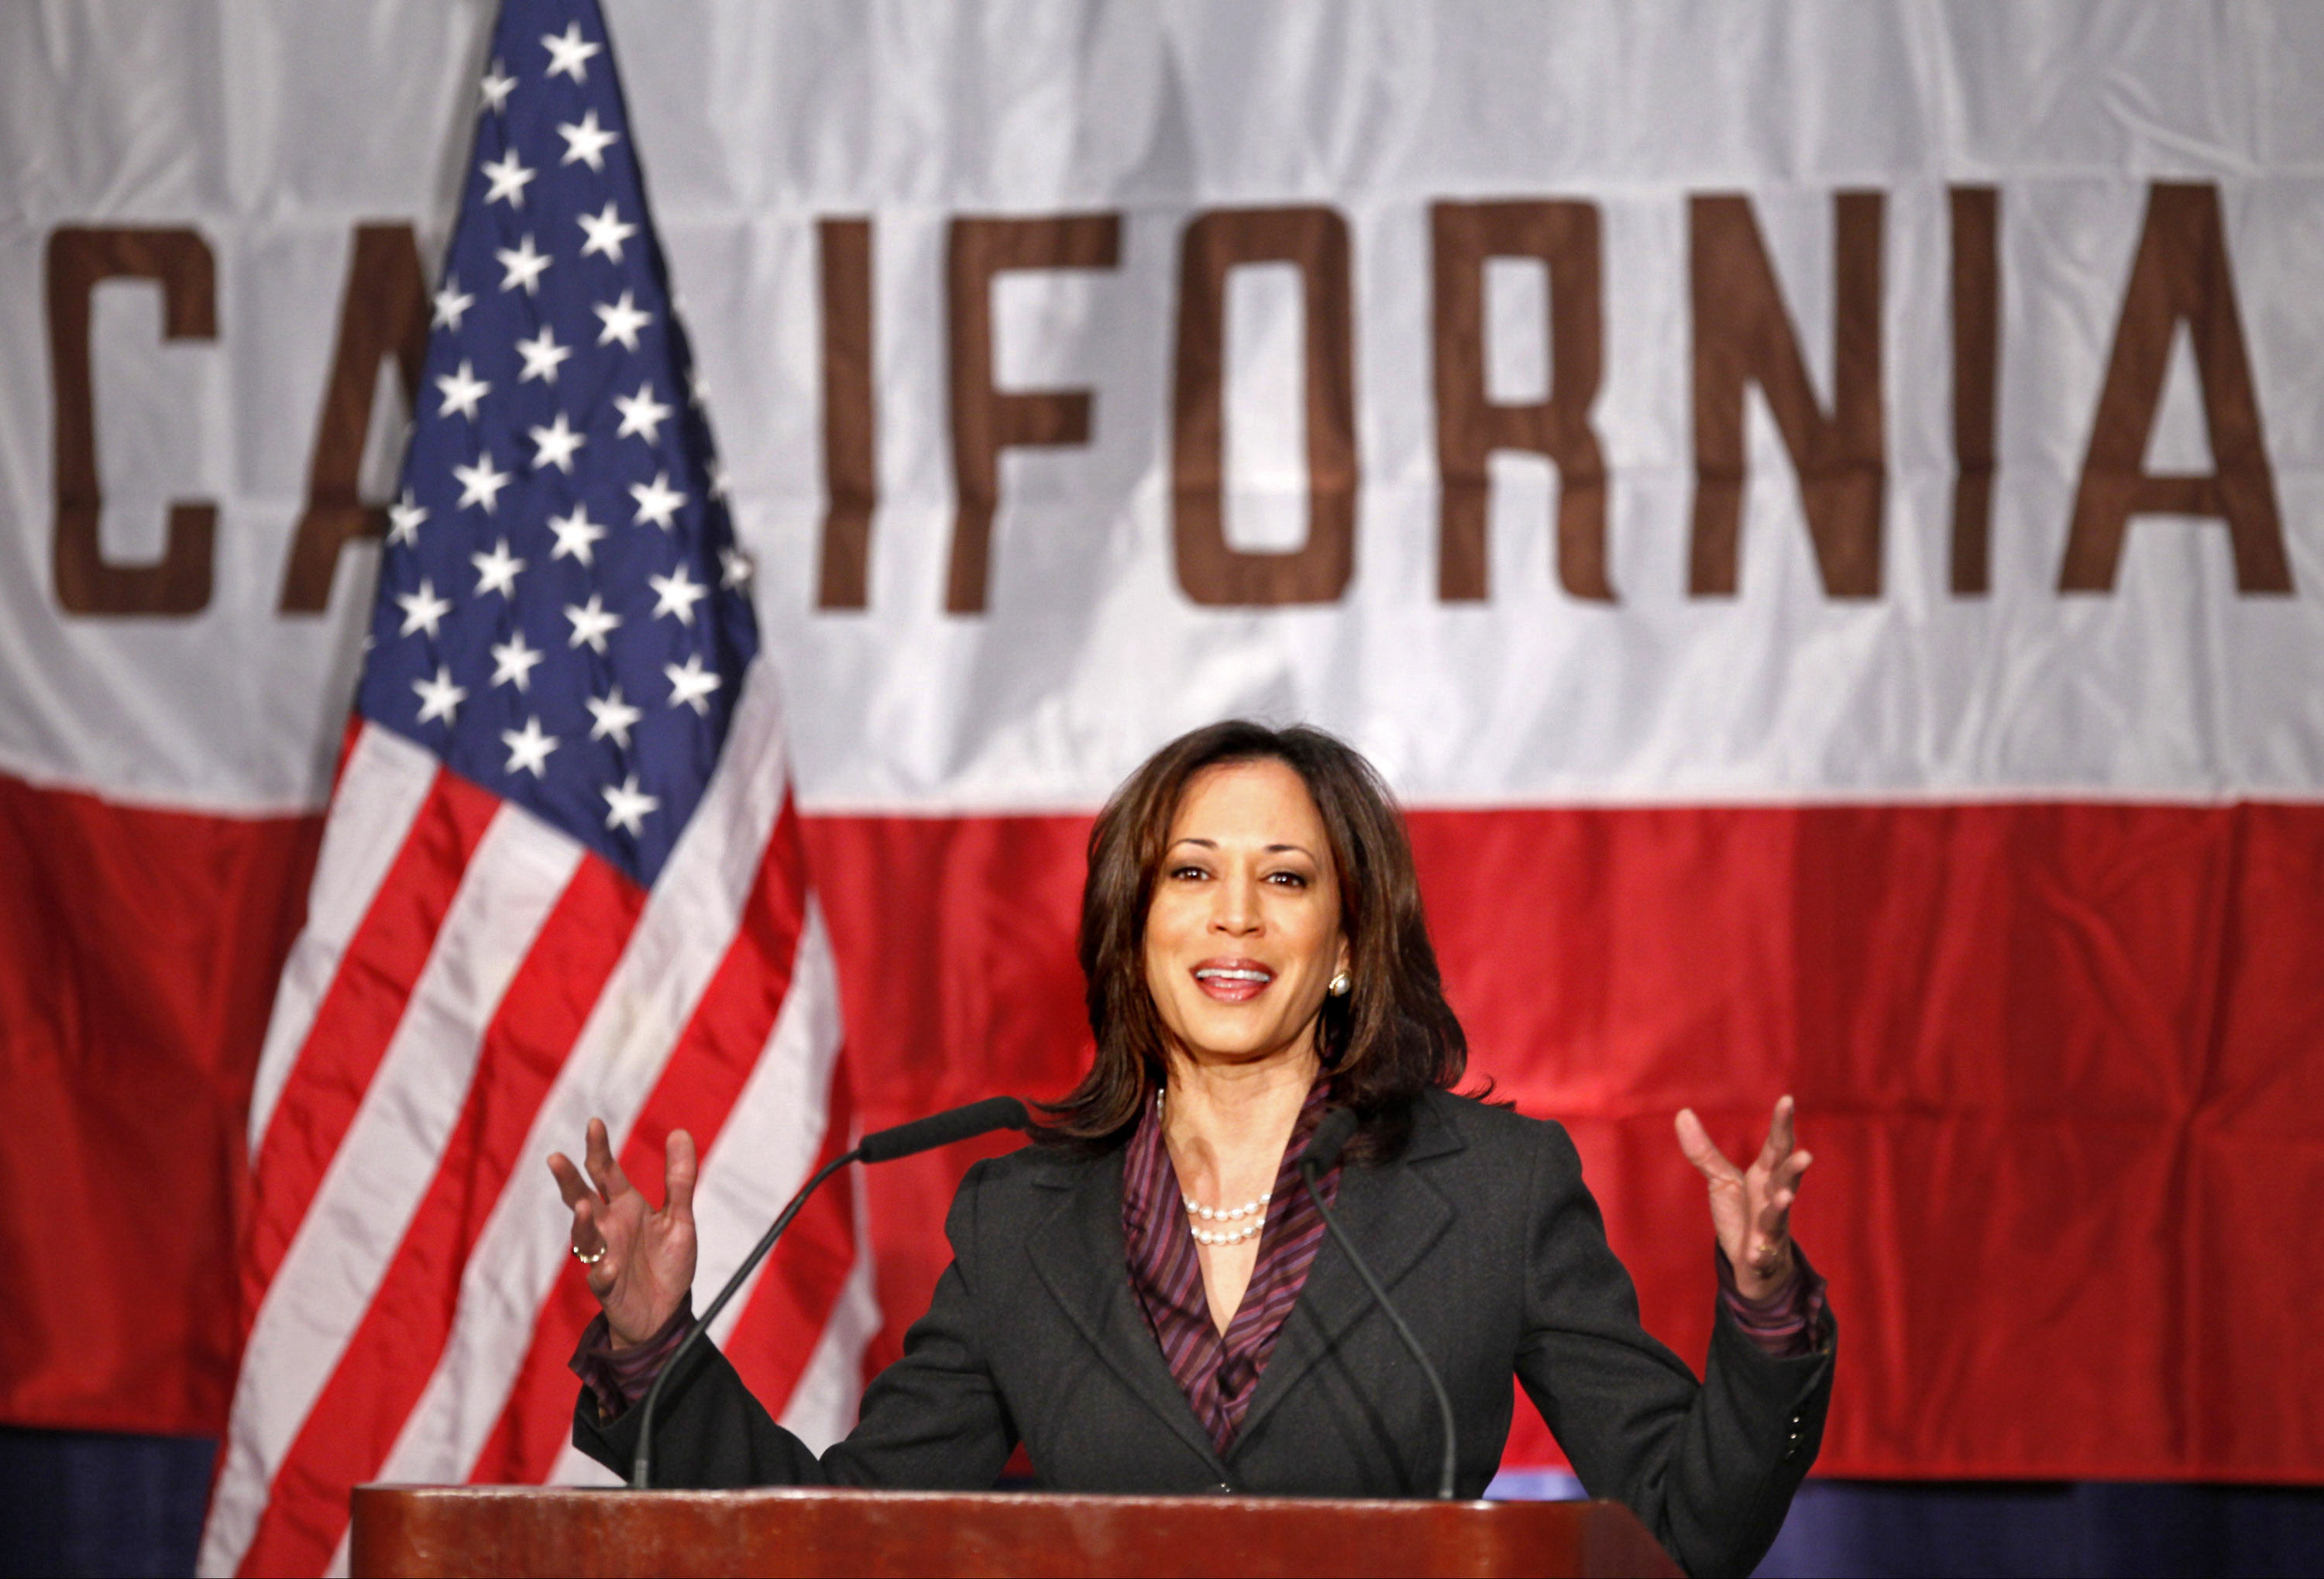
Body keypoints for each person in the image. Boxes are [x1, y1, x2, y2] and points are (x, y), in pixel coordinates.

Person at [550, 721, 1832, 1577]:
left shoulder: (1494, 1191)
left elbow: (1690, 1526)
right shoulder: (1020, 1218)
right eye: (1188, 872)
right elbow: (848, 1539)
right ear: (1134, 928)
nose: (1234, 910)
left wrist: (1764, 1309)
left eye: (1285, 878)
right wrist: (658, 1346)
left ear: (1341, 948)